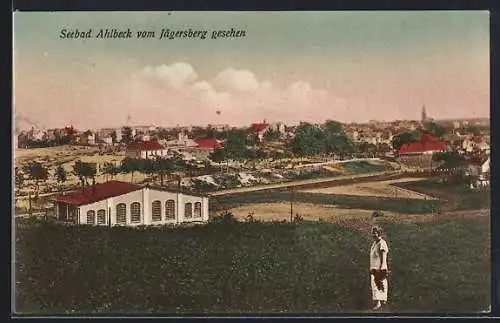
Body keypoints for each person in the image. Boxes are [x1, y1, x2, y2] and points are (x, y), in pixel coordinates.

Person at [370, 226, 389, 310]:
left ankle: (380, 303)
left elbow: (383, 256)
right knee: (375, 284)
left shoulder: (382, 243)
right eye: (373, 233)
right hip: (374, 267)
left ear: (379, 234)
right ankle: (379, 302)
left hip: (379, 267)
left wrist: (382, 268)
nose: (373, 235)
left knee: (380, 284)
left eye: (375, 233)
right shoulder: (375, 243)